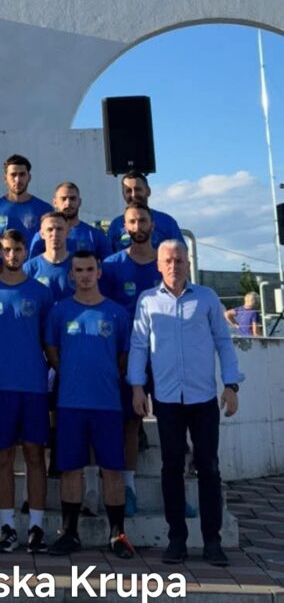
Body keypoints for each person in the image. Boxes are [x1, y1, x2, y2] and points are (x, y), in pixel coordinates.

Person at [129, 240, 244, 567]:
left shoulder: (206, 298)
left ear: (188, 263)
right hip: (167, 399)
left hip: (203, 397)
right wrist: (137, 387)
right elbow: (139, 345)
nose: (174, 265)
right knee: (171, 468)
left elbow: (223, 342)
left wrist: (231, 385)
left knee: (209, 467)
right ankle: (176, 539)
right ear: (158, 265)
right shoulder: (148, 300)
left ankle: (212, 541)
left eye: (179, 260)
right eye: (168, 260)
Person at [44, 250, 134, 560]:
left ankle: (117, 534)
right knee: (70, 469)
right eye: (79, 270)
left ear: (99, 272)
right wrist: (70, 373)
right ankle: (69, 533)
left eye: (89, 269)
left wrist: (104, 375)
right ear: (71, 275)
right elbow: (52, 350)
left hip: (107, 404)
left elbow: (123, 356)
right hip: (70, 403)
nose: (84, 275)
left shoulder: (116, 314)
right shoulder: (60, 311)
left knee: (112, 469)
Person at [0, 228, 52, 555]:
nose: (12, 255)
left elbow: (46, 339)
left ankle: (36, 526)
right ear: (0, 253)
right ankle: (7, 527)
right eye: (6, 250)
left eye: (17, 250)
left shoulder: (40, 293)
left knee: (35, 455)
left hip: (33, 386)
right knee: (3, 457)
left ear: (26, 253)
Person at [100, 201, 160, 518]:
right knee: (130, 421)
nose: (138, 227)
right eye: (132, 222)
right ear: (125, 227)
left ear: (152, 224)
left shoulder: (164, 262)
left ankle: (175, 487)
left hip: (164, 354)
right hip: (125, 354)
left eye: (143, 221)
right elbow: (104, 310)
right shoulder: (111, 265)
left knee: (173, 421)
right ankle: (129, 486)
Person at [106, 171, 185, 253]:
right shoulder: (116, 225)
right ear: (123, 194)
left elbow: (181, 253)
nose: (133, 195)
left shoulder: (167, 222)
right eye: (128, 191)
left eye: (138, 189)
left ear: (148, 191)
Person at [29, 183, 109, 260]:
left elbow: (108, 266)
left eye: (72, 199)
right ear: (55, 202)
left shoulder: (94, 235)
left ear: (79, 202)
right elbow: (34, 265)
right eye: (63, 199)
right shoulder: (43, 235)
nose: (68, 203)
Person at [0, 154, 52, 244]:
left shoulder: (45, 209)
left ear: (29, 177)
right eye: (13, 175)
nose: (18, 180)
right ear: (5, 179)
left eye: (22, 174)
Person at [23, 212, 74, 301]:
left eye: (59, 229)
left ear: (68, 232)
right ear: (42, 234)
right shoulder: (29, 268)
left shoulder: (79, 265)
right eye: (50, 229)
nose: (55, 234)